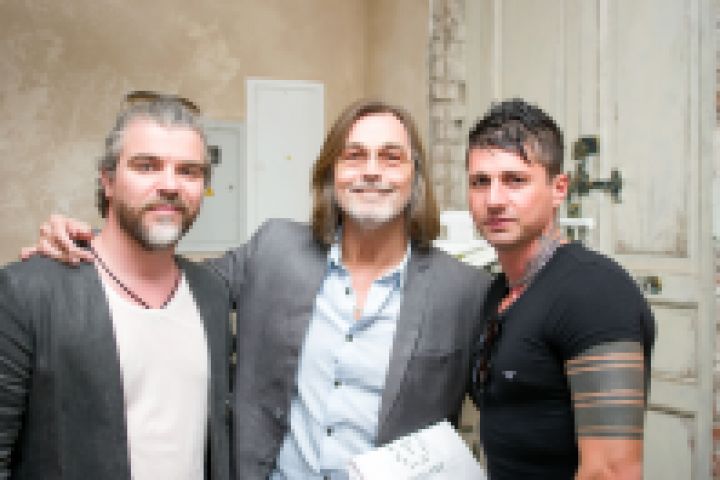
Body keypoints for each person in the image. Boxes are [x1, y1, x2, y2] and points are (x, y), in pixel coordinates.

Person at [22, 99, 491, 480]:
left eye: (391, 157)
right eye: (353, 156)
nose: (371, 171)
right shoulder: (274, 250)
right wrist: (92, 244)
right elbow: (170, 280)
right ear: (331, 173)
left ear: (415, 177)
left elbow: (512, 413)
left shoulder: (465, 291)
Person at [0, 92, 231, 479]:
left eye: (189, 171)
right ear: (108, 180)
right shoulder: (28, 291)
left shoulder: (212, 294)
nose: (169, 185)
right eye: (147, 166)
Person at [466, 98, 655, 479]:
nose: (494, 200)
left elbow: (612, 472)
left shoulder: (594, 291)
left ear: (558, 188)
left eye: (515, 180)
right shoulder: (500, 291)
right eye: (480, 182)